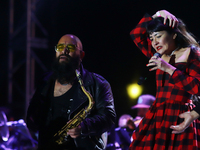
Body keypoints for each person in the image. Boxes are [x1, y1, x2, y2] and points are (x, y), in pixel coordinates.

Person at [26, 34, 116, 150]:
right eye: (60, 47)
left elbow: (109, 117)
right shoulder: (45, 82)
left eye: (71, 48)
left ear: (81, 55)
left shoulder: (98, 83)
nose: (64, 51)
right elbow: (32, 120)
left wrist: (84, 127)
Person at [129, 9, 200, 149]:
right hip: (157, 113)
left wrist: (170, 69)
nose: (154, 42)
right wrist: (157, 15)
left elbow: (197, 87)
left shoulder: (192, 53)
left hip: (180, 114)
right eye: (151, 38)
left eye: (158, 36)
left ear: (173, 34)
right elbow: (136, 34)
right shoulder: (157, 53)